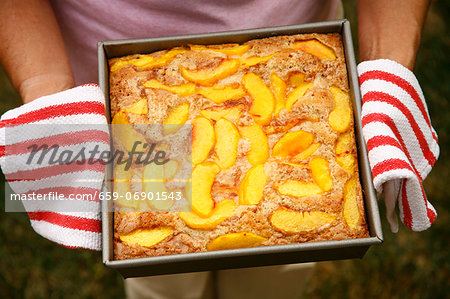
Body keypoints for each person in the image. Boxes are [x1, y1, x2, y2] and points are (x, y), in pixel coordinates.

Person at [0, 1, 431, 298]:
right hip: (135, 113)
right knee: (161, 278)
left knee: (276, 273)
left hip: (302, 47)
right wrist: (47, 89)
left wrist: (386, 70)